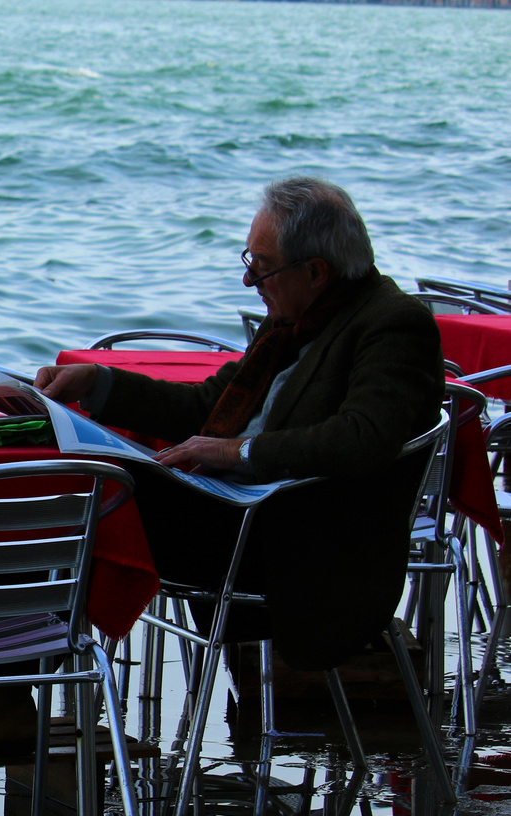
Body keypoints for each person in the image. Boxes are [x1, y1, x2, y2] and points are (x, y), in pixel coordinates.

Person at [35, 176, 444, 671]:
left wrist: (232, 452)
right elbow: (210, 404)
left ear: (316, 271)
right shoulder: (297, 318)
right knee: (51, 496)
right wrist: (97, 383)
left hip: (293, 548)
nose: (250, 283)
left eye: (263, 268)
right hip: (237, 520)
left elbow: (363, 439)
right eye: (250, 262)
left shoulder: (393, 323)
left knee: (69, 504)